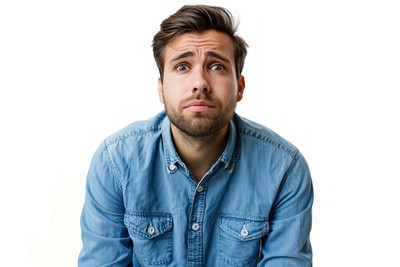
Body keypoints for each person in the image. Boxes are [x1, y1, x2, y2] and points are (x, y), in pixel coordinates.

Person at [78, 4, 313, 266]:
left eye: (216, 67)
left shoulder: (284, 169)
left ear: (240, 87)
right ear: (161, 88)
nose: (199, 82)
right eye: (181, 67)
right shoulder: (115, 163)